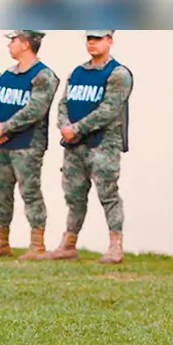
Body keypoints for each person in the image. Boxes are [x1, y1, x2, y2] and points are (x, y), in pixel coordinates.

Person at [45, 30, 134, 264]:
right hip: (74, 146)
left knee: (108, 194)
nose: (92, 43)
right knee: (73, 196)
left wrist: (77, 129)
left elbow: (109, 110)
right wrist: (65, 127)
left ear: (110, 41)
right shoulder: (77, 72)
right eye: (89, 38)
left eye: (98, 38)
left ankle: (116, 245)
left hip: (104, 144)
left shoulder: (118, 74)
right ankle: (69, 243)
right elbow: (63, 103)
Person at [0, 30, 59, 259]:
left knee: (30, 193)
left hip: (28, 145)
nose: (9, 45)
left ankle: (37, 245)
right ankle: (1, 242)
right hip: (1, 145)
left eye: (13, 40)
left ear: (25, 43)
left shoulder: (43, 76)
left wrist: (5, 128)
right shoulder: (7, 75)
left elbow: (35, 110)